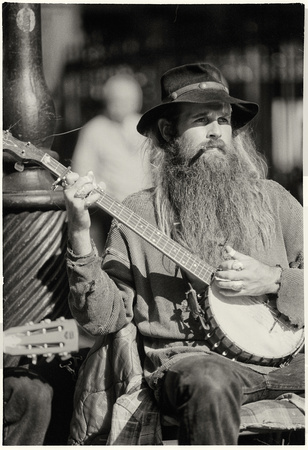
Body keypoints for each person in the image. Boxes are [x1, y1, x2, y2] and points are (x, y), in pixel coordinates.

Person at [63, 63, 304, 445]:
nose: (216, 133)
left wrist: (274, 279)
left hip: (290, 363)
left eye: (224, 120)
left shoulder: (273, 200)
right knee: (208, 380)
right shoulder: (138, 214)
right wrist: (79, 230)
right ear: (168, 131)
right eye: (202, 120)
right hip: (194, 364)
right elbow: (102, 319)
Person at [71, 73, 152, 253]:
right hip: (109, 215)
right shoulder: (94, 129)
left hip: (145, 216)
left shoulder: (144, 126)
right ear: (108, 100)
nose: (123, 104)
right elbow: (82, 174)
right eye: (117, 99)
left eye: (128, 99)